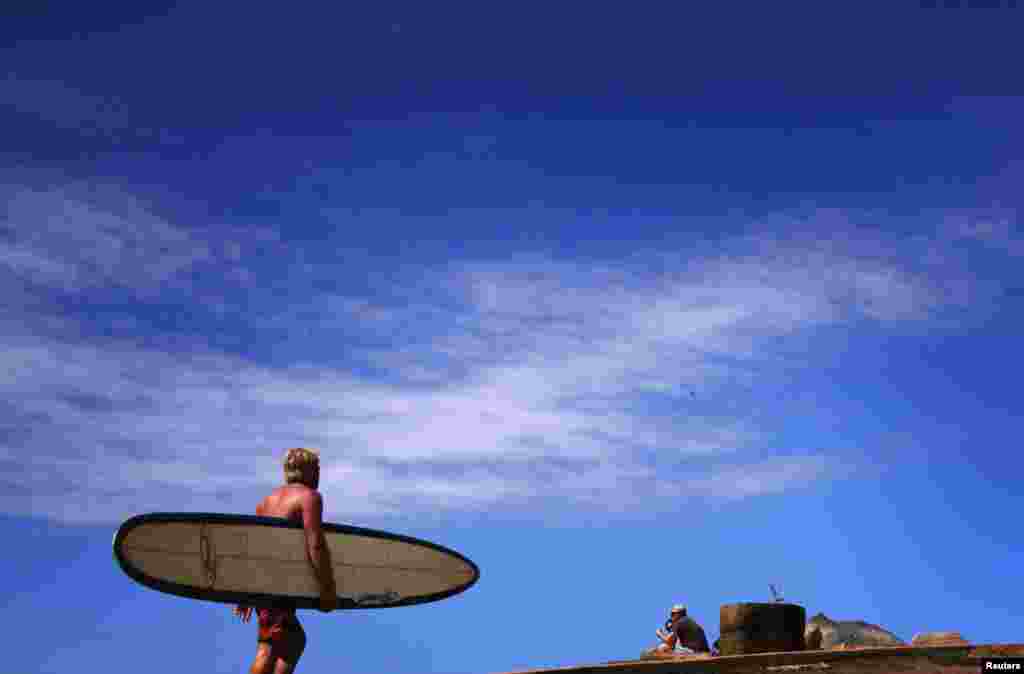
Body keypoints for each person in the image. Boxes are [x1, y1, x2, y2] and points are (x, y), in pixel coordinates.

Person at [233, 447, 339, 674]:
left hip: (265, 583)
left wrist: (245, 591)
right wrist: (327, 588)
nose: (319, 474)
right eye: (317, 469)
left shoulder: (265, 503)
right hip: (279, 583)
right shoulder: (309, 498)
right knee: (269, 646)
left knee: (290, 640)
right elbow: (316, 544)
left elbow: (255, 550)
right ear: (308, 472)